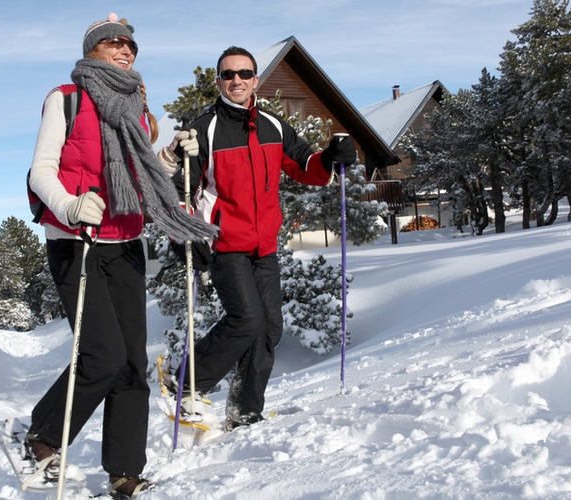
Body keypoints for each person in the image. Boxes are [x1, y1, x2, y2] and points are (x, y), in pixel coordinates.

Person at [25, 13, 217, 497]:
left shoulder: (140, 110)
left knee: (132, 364)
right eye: (112, 42)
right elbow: (40, 171)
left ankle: (125, 472)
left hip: (126, 244)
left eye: (130, 44)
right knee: (103, 355)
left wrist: (171, 155)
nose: (124, 49)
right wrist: (70, 205)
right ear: (92, 51)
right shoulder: (66, 100)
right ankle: (44, 436)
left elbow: (140, 172)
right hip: (77, 243)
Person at [158, 46, 357, 429]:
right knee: (246, 319)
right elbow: (179, 189)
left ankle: (245, 409)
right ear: (218, 81)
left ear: (256, 80)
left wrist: (332, 156)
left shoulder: (272, 125)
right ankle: (185, 381)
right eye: (228, 74)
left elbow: (305, 167)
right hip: (223, 243)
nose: (236, 80)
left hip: (264, 245)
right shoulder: (204, 129)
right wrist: (186, 233)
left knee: (269, 327)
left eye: (244, 74)